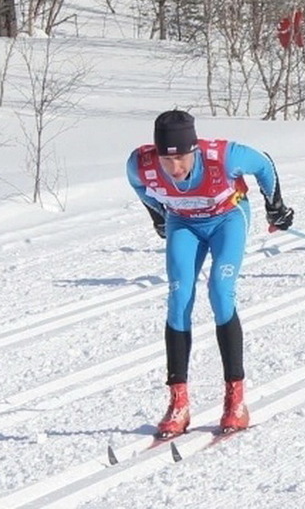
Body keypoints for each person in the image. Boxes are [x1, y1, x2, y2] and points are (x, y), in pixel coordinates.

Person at [126, 110, 294, 437]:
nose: (175, 169)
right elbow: (136, 183)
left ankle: (236, 401)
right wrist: (157, 215)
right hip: (183, 222)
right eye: (166, 161)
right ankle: (179, 403)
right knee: (179, 298)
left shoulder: (223, 156)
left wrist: (275, 206)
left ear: (195, 150)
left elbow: (263, 163)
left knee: (220, 291)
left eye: (183, 160)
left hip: (226, 218)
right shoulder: (141, 163)